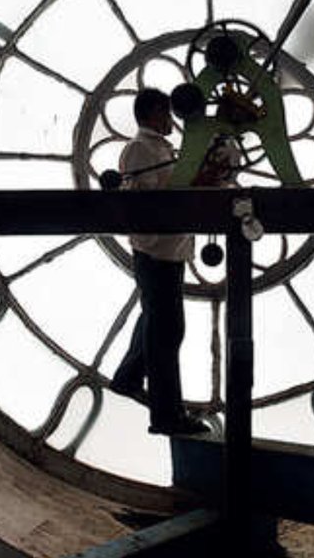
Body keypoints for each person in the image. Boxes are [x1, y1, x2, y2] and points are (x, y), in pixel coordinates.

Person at [108, 88, 210, 436]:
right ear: (152, 113)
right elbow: (152, 201)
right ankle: (167, 415)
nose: (173, 120)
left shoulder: (153, 149)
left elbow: (164, 192)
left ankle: (128, 378)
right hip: (160, 251)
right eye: (167, 113)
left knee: (156, 320)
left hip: (163, 250)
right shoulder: (142, 149)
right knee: (168, 331)